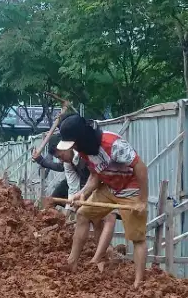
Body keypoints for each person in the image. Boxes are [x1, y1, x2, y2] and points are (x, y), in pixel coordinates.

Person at [56, 113, 148, 287]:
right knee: (82, 214)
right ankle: (72, 262)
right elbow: (95, 174)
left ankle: (138, 282)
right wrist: (83, 193)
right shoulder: (83, 151)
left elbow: (140, 167)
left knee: (137, 237)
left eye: (73, 143)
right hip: (109, 187)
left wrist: (142, 200)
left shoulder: (113, 144)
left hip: (129, 188)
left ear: (82, 138)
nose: (73, 147)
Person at [32, 130, 117, 271]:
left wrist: (85, 195)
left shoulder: (86, 152)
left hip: (110, 180)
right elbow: (73, 186)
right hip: (91, 182)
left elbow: (96, 176)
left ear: (67, 148)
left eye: (60, 155)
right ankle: (90, 259)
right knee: (90, 217)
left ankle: (99, 258)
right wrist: (72, 205)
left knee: (108, 217)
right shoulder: (68, 162)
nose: (61, 160)